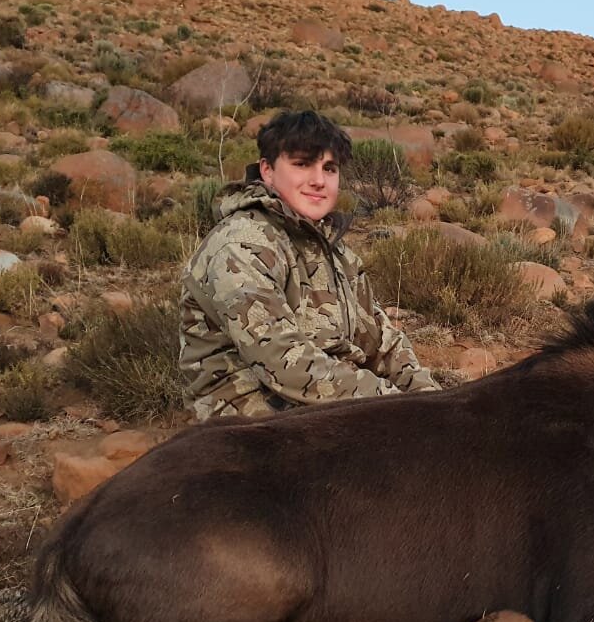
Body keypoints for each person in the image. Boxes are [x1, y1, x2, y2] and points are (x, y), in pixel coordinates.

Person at [179, 110, 439, 420]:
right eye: (302, 164)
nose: (318, 181)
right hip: (248, 417)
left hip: (325, 402)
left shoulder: (335, 251)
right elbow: (282, 363)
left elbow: (383, 342)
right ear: (268, 171)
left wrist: (433, 400)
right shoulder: (240, 245)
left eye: (329, 168)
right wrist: (395, 404)